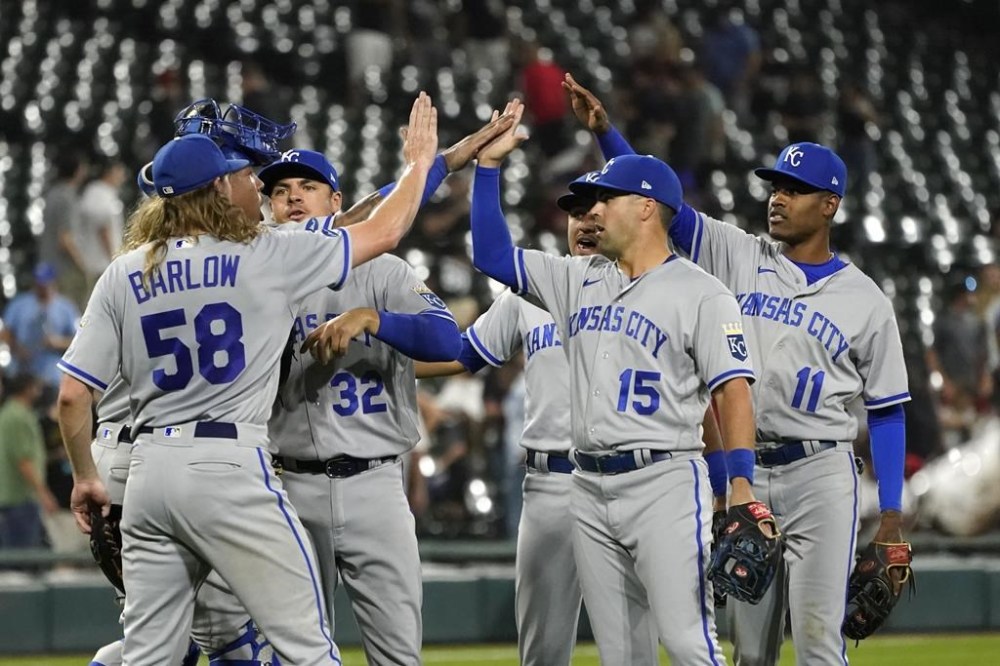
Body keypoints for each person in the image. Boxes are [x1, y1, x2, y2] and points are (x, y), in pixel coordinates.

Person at [55, 92, 441, 664]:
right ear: (216, 188)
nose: (257, 186)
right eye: (243, 176)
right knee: (305, 645)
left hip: (145, 475)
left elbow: (69, 397)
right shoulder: (264, 252)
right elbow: (382, 231)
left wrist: (85, 476)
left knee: (150, 653)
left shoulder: (123, 271)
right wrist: (422, 161)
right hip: (229, 466)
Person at [565, 75, 912, 665]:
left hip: (822, 473)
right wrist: (606, 135)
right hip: (747, 475)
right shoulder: (738, 253)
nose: (777, 197)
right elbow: (655, 206)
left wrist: (894, 516)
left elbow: (886, 413)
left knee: (819, 647)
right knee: (750, 653)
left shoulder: (867, 301)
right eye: (775, 186)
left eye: (795, 189)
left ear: (829, 204)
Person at [469, 99, 765, 665]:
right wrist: (488, 168)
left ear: (647, 208)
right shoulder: (573, 279)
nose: (593, 210)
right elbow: (489, 252)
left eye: (606, 198)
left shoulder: (703, 292)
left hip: (664, 482)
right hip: (586, 484)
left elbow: (733, 389)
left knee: (685, 641)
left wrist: (742, 483)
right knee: (622, 654)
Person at [256, 111, 510, 663]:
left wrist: (373, 318)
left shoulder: (383, 273)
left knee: (398, 654)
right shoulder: (259, 272)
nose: (294, 199)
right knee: (290, 654)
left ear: (335, 202)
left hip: (376, 483)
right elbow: (379, 210)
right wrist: (435, 164)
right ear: (267, 208)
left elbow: (445, 343)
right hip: (290, 486)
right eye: (280, 192)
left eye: (308, 188)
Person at [414, 172, 663, 665]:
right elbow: (463, 355)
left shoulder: (650, 292)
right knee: (542, 652)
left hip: (627, 484)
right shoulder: (529, 296)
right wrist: (383, 352)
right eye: (576, 212)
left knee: (633, 650)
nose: (587, 220)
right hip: (550, 485)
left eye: (599, 208)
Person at [1, 263, 80, 401]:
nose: (42, 287)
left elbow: (79, 341)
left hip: (52, 374)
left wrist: (57, 342)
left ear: (53, 282)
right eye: (39, 283)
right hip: (22, 371)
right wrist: (16, 348)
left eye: (45, 283)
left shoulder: (66, 308)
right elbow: (5, 333)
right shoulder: (20, 304)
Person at [0, 373, 58, 552]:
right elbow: (23, 460)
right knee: (21, 560)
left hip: (18, 497)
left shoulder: (17, 412)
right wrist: (43, 493)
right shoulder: (17, 416)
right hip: (19, 497)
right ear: (27, 389)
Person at [39, 149, 90, 310]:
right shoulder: (67, 197)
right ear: (76, 170)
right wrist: (83, 266)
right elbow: (65, 239)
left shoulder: (52, 194)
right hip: (65, 270)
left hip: (47, 267)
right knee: (72, 314)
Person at [77, 155, 128, 297]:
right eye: (120, 172)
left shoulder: (103, 193)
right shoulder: (98, 193)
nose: (122, 177)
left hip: (101, 265)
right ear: (109, 172)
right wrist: (114, 260)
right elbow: (102, 229)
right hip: (99, 265)